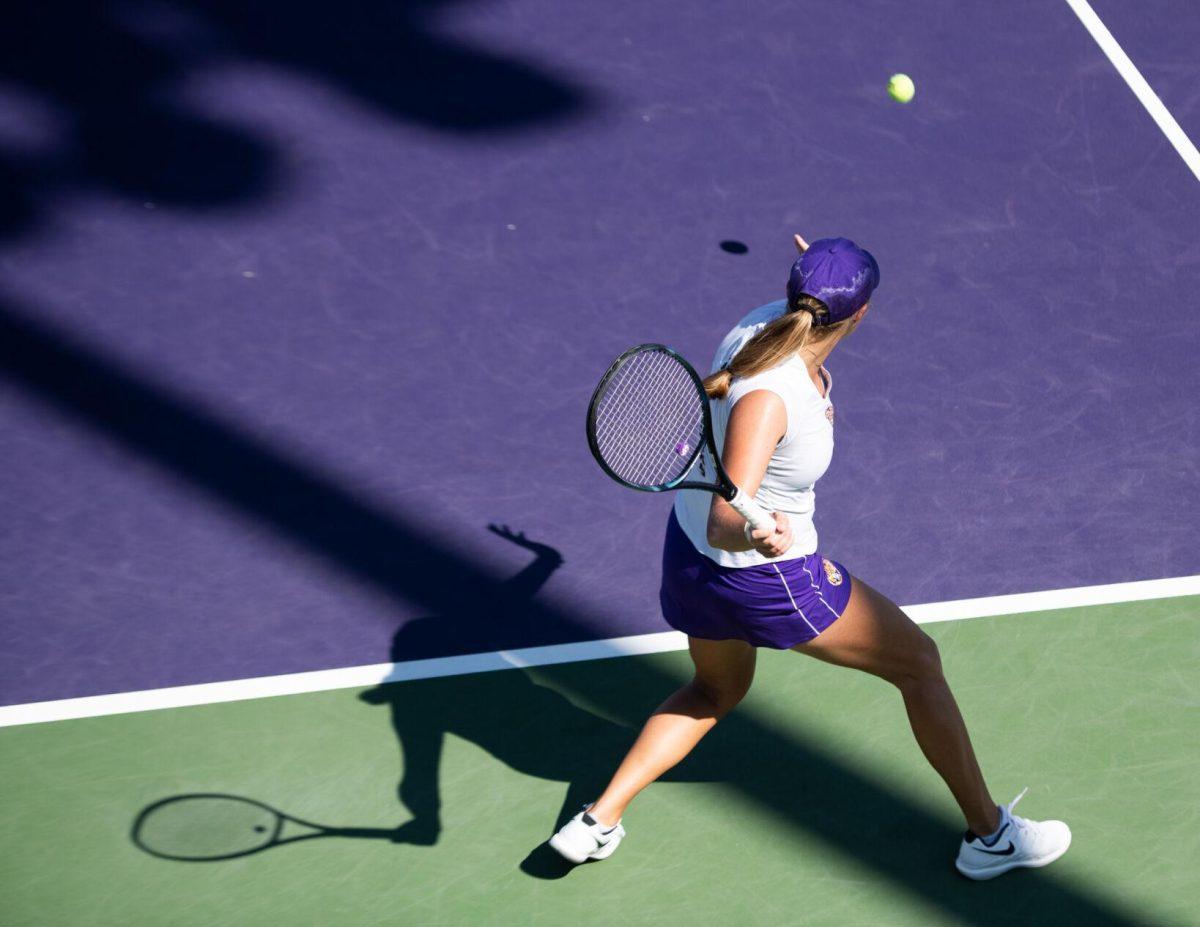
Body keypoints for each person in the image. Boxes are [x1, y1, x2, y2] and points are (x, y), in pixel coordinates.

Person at [550, 235, 1071, 880]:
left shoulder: (759, 325)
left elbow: (812, 291)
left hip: (688, 565)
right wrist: (759, 534)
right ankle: (990, 837)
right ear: (861, 315)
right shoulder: (774, 398)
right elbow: (724, 522)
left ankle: (597, 821)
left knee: (716, 687)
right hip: (765, 578)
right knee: (920, 665)